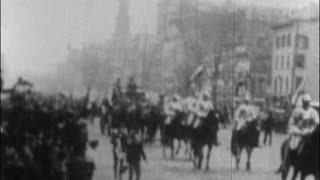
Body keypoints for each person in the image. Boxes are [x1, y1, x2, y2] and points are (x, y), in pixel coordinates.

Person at [276, 93, 319, 173]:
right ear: (302, 102)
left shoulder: (313, 112)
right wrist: (297, 131)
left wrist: (310, 130)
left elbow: (316, 123)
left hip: (310, 134)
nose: (306, 104)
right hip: (298, 134)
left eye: (308, 102)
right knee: (290, 145)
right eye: (305, 102)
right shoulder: (297, 111)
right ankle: (284, 164)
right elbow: (291, 123)